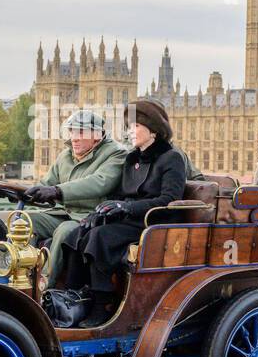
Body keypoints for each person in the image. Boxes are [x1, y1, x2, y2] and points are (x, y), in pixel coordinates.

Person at [58, 99, 186, 327]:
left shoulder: (171, 158)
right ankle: (74, 297)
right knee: (78, 234)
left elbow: (169, 200)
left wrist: (127, 208)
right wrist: (98, 214)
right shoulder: (132, 158)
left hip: (154, 222)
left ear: (153, 129)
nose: (130, 132)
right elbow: (119, 194)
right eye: (129, 127)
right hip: (131, 219)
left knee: (100, 238)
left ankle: (103, 305)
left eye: (135, 126)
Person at [20, 109, 126, 286]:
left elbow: (100, 182)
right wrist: (22, 193)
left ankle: (44, 284)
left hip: (92, 217)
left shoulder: (116, 154)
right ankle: (18, 272)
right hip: (63, 212)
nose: (74, 137)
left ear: (97, 135)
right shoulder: (65, 155)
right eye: (72, 131)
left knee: (64, 231)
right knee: (25, 221)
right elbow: (46, 185)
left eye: (81, 132)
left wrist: (57, 191)